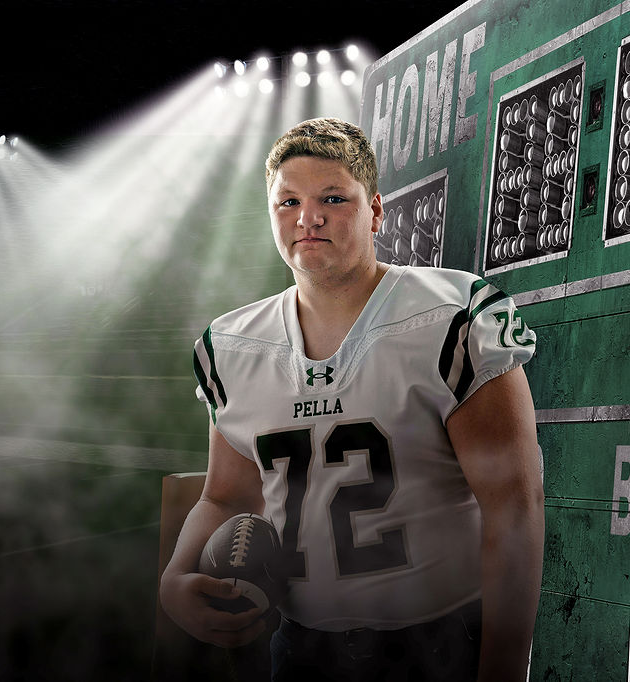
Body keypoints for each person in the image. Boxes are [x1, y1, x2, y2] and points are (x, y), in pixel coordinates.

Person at [159, 117, 544, 682]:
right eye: (287, 201)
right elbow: (226, 495)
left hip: (440, 644)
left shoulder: (449, 317)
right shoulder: (234, 346)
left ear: (376, 211)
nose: (307, 217)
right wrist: (173, 579)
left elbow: (514, 504)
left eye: (332, 198)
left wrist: (503, 670)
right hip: (301, 649)